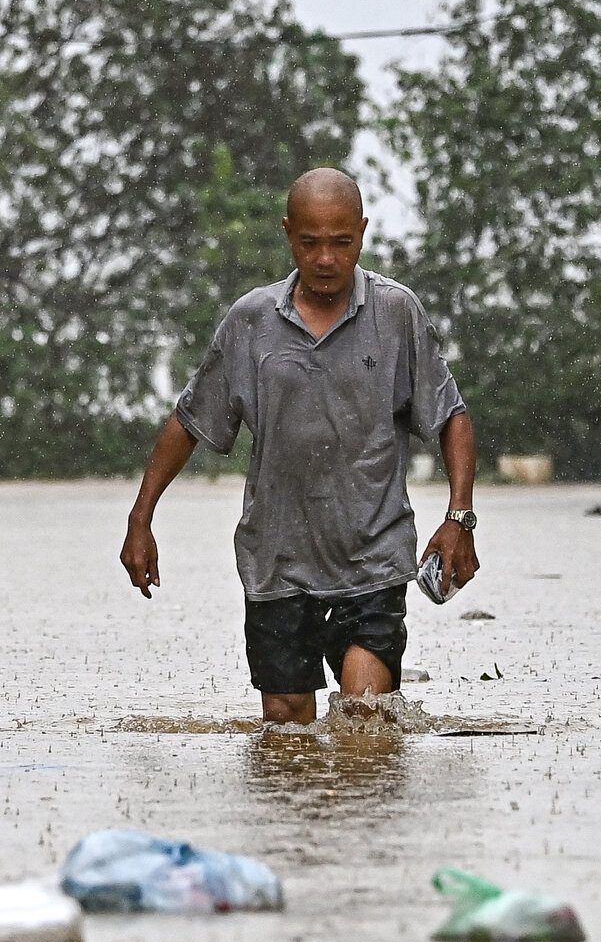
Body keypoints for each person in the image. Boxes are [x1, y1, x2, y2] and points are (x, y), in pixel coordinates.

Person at [119, 166, 478, 724]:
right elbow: (189, 421)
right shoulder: (251, 323)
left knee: (366, 720)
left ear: (362, 233)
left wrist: (460, 518)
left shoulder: (396, 312)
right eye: (311, 243)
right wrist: (141, 519)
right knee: (287, 735)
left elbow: (451, 415)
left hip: (373, 556)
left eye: (341, 242)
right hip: (277, 560)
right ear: (289, 235)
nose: (327, 259)